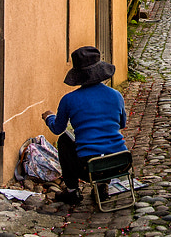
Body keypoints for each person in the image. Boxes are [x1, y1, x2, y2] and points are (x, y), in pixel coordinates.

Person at [42, 46, 128, 205]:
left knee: (64, 140)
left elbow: (57, 128)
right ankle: (103, 185)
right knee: (106, 144)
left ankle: (72, 191)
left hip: (88, 166)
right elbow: (122, 123)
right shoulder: (116, 95)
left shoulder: (69, 100)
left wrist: (49, 117)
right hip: (120, 162)